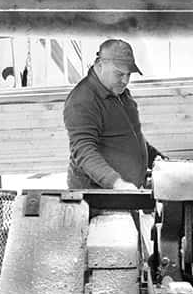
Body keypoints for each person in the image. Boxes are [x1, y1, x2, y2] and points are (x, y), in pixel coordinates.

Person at [64, 38, 160, 190]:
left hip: (126, 193)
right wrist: (116, 183)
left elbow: (131, 137)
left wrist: (159, 162)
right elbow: (84, 151)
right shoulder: (83, 100)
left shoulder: (120, 93)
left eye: (128, 74)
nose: (125, 80)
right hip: (99, 197)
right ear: (101, 65)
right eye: (119, 74)